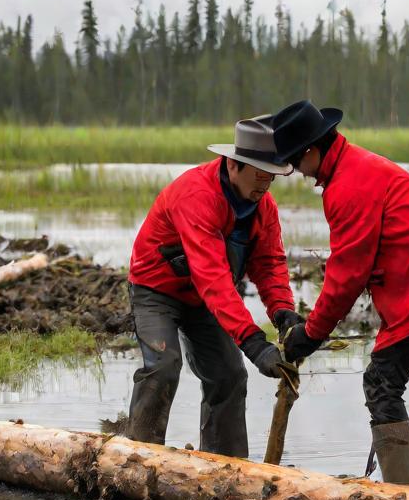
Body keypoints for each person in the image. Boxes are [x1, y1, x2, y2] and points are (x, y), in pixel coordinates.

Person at [273, 100, 409, 492]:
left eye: (293, 162)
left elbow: (348, 273)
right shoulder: (360, 165)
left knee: (381, 383)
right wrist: (308, 327)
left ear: (311, 151)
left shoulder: (348, 185)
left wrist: (311, 334)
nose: (295, 172)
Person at [125, 116, 300, 454]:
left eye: (271, 178)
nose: (265, 185)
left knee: (230, 376)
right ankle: (139, 459)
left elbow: (269, 264)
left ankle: (226, 471)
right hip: (156, 290)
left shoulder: (264, 208)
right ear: (234, 165)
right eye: (260, 175)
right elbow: (213, 277)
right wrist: (254, 342)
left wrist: (283, 312)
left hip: (205, 300)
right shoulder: (196, 195)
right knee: (163, 366)